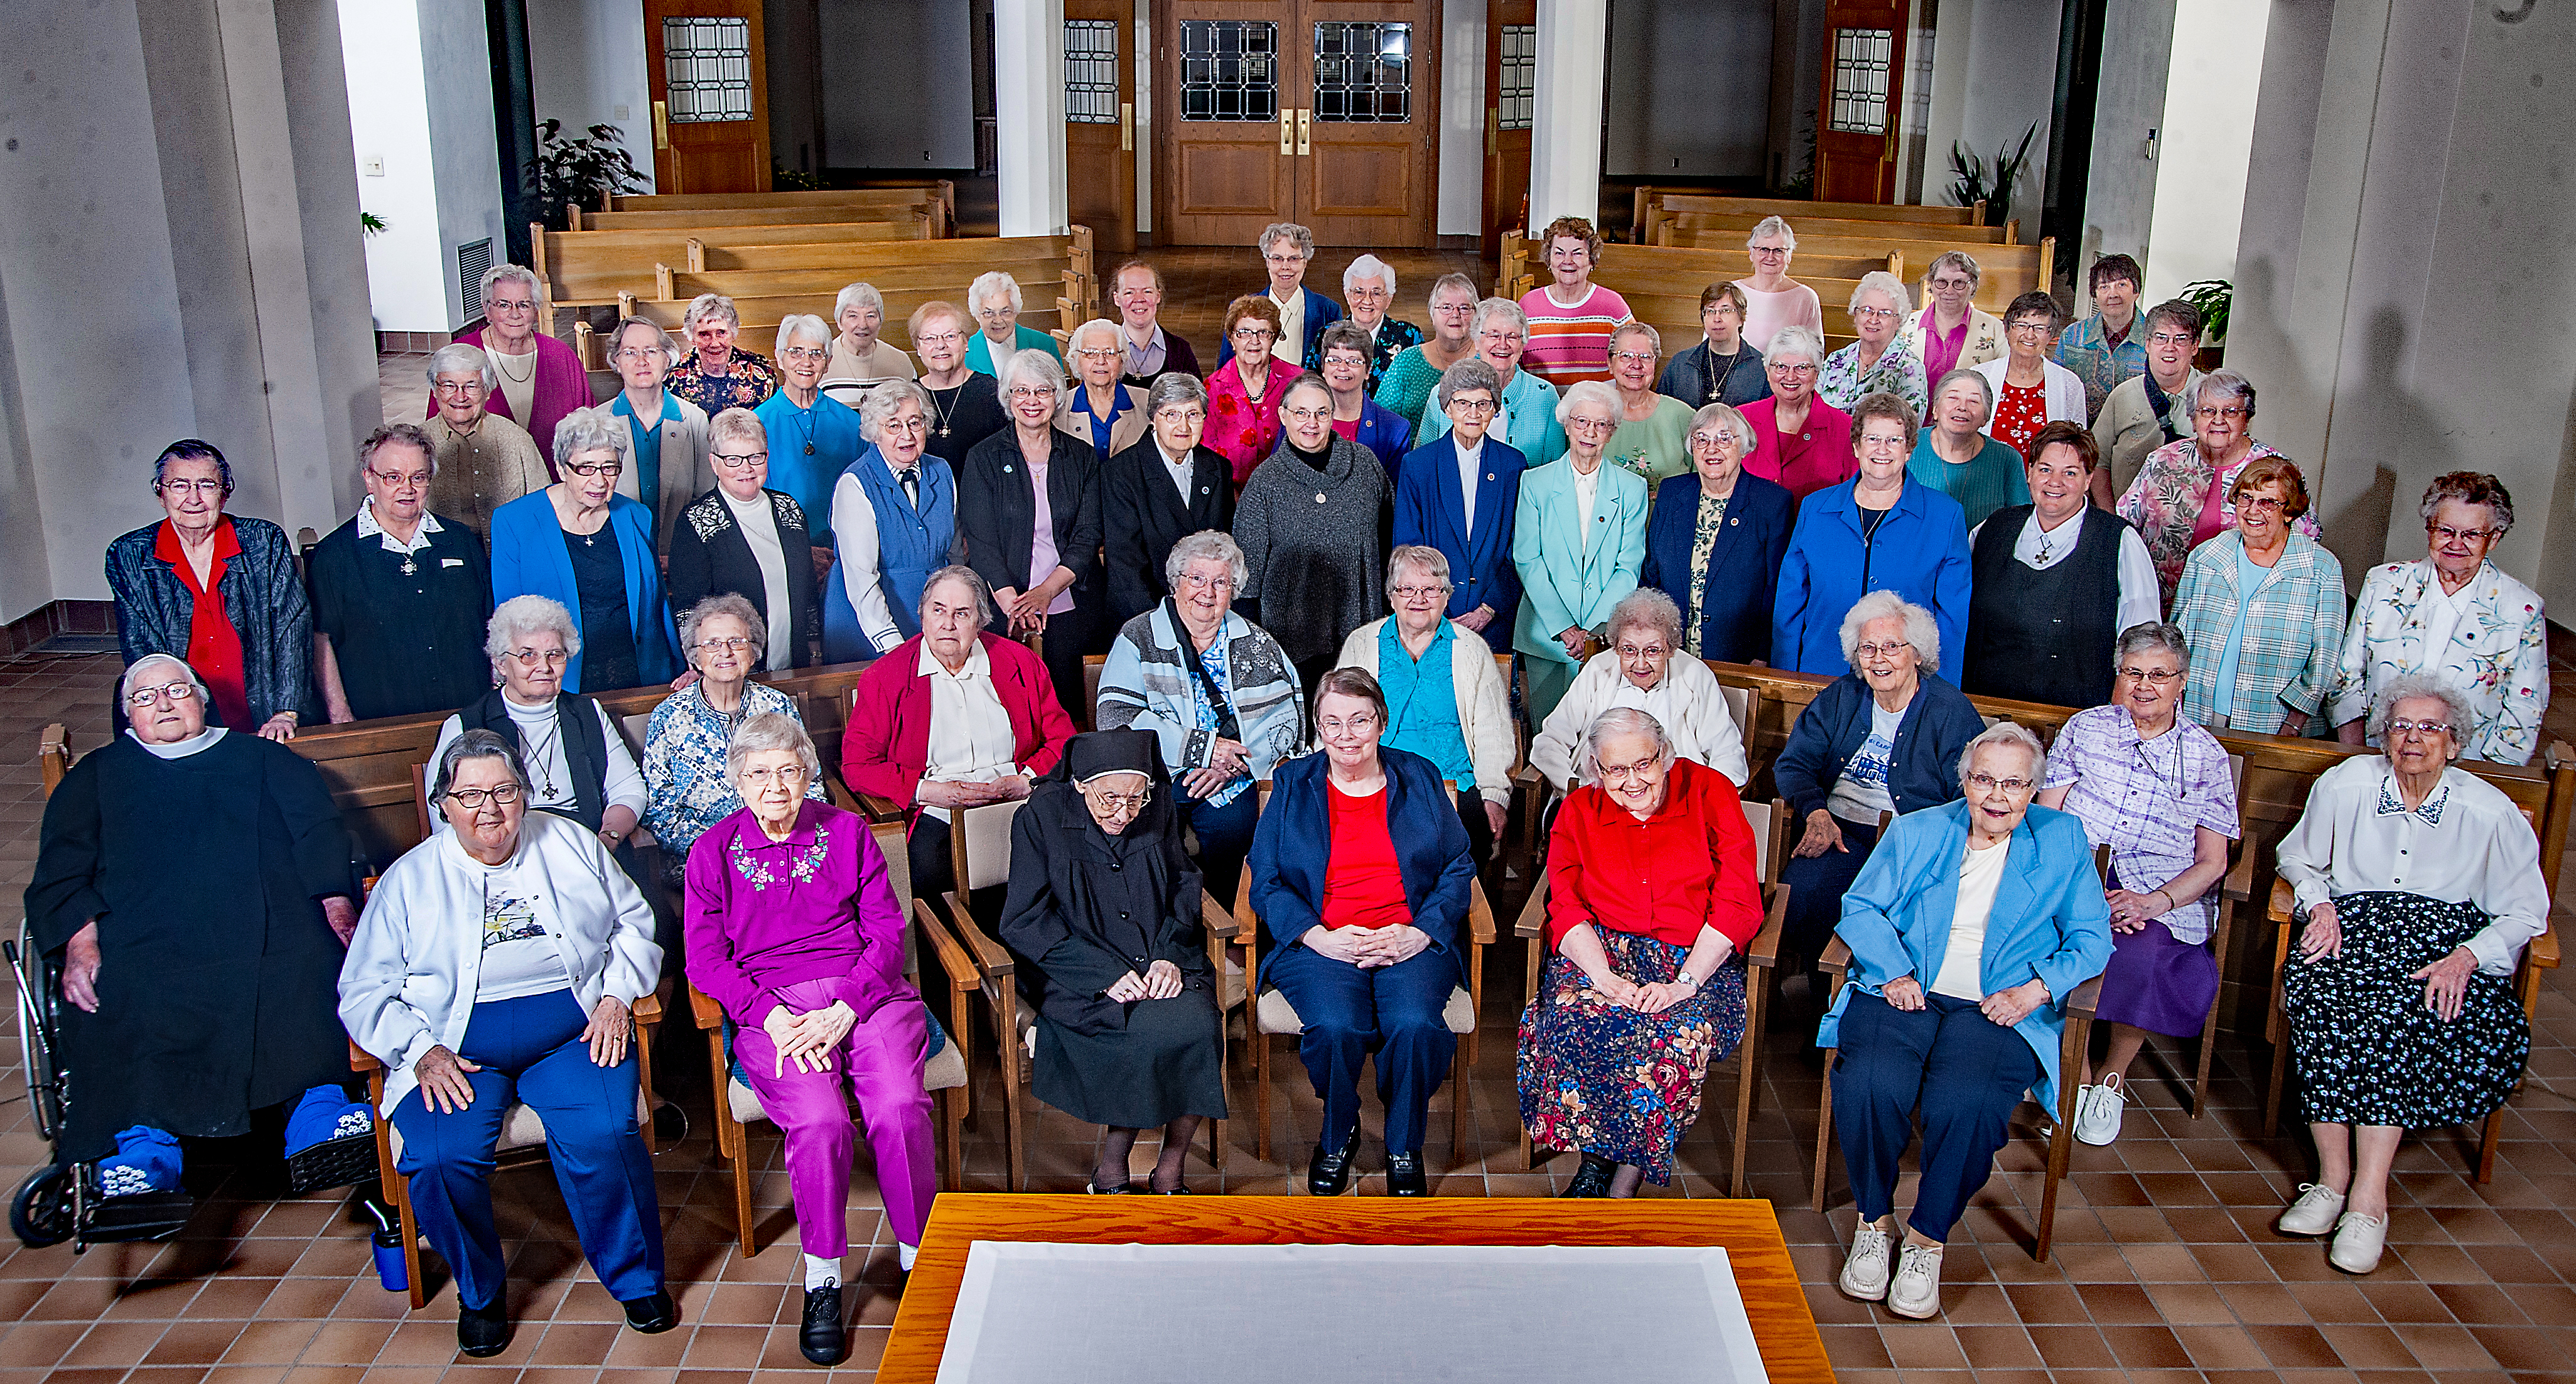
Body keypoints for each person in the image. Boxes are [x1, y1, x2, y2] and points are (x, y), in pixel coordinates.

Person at [339, 730, 671, 1357]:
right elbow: (362, 990)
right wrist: (420, 1050)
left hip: (572, 1030)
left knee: (606, 1130)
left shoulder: (570, 842)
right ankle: (481, 1290)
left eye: (504, 790)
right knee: (439, 1156)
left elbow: (634, 921)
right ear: (443, 803)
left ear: (525, 794)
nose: (489, 807)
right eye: (470, 794)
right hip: (456, 1049)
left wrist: (616, 994)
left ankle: (636, 1278)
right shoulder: (408, 879)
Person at [25, 654, 357, 1188]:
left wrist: (335, 904)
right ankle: (142, 1147)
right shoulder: (95, 777)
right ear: (126, 715)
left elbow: (317, 833)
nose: (163, 703)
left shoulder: (265, 760)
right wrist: (80, 940)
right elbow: (61, 868)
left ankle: (318, 1114)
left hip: (270, 918)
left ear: (202, 699)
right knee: (114, 989)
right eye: (144, 697)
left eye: (177, 690)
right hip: (142, 933)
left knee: (310, 962)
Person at [1824, 723, 2112, 1319]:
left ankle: (1927, 1239)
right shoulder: (1918, 830)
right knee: (1869, 1081)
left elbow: (2092, 939)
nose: (1997, 796)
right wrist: (1893, 971)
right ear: (1965, 782)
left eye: (2013, 784)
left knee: (1968, 1101)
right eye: (1984, 780)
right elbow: (1861, 906)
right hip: (1906, 988)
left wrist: (2035, 992)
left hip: (1999, 1003)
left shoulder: (2062, 840)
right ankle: (1874, 1222)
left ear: (2034, 791)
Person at [2270, 678, 2546, 1276]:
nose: (2412, 739)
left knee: (2399, 1012)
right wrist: (2319, 903)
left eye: (2429, 729)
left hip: (2443, 941)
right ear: (2383, 735)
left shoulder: (2487, 810)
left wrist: (2469, 956)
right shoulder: (2346, 784)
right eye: (2400, 726)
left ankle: (2370, 1201)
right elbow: (2296, 856)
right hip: (2353, 924)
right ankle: (2331, 1183)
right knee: (2322, 995)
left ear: (2454, 744)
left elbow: (2526, 911)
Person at [684, 713, 934, 1360]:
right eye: (760, 772)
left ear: (806, 775)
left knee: (898, 1104)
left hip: (864, 994)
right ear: (737, 780)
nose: (775, 785)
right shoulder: (711, 853)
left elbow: (885, 932)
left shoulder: (847, 831)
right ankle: (822, 1274)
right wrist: (766, 1014)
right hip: (775, 1010)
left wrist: (847, 1006)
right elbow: (705, 960)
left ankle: (917, 1254)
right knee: (821, 1121)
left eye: (788, 770)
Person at [1248, 668, 1478, 1197]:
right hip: (1323, 941)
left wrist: (1420, 933)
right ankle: (1338, 1132)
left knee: (1415, 1024)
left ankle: (1403, 1143)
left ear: (1381, 722)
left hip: (1407, 935)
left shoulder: (1418, 777)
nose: (1346, 735)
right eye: (1332, 723)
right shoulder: (1293, 784)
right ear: (1317, 728)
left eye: (1359, 720)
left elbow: (1457, 865)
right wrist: (1314, 936)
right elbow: (1265, 879)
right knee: (1334, 1026)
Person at [1519, 707, 1762, 1196]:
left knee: (1670, 1036)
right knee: (1573, 1017)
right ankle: (1593, 1163)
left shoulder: (1710, 793)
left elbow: (1738, 900)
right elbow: (1563, 902)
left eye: (1643, 765)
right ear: (1595, 768)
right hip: (1601, 952)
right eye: (1616, 769)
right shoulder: (1579, 810)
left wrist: (1683, 985)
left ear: (1666, 756)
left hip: (1693, 958)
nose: (1632, 781)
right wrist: (1603, 978)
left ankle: (1625, 1175)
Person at [996, 728, 1228, 1195]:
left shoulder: (1157, 805)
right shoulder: (1038, 817)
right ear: (1080, 784)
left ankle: (1170, 1168)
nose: (1123, 813)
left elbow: (1184, 884)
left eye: (1134, 800)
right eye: (1108, 800)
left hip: (1161, 954)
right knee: (1141, 1036)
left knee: (1200, 1028)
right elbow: (1023, 919)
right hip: (1076, 970)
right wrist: (1101, 974)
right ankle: (1112, 1166)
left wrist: (1168, 956)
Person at [2036, 622, 2240, 1147]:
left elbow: (2212, 861)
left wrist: (2152, 901)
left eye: (2158, 675)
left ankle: (2112, 1077)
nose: (2143, 686)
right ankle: (2074, 1070)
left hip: (2159, 885)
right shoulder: (2086, 728)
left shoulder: (2205, 755)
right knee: (2055, 941)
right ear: (2117, 676)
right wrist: (2074, 888)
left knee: (2141, 951)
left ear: (2182, 682)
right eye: (2132, 672)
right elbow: (2047, 816)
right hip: (2079, 870)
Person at [839, 566, 1076, 900]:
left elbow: (1062, 739)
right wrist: (930, 791)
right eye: (938, 610)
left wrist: (1026, 781)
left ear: (980, 621)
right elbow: (859, 766)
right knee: (930, 868)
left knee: (1068, 857)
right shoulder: (887, 677)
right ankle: (961, 950)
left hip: (1021, 800)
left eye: (961, 613)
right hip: (940, 811)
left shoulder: (1019, 662)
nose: (947, 624)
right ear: (922, 614)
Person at [1773, 593, 1985, 965]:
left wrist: (1923, 844)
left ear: (1918, 654)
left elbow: (1968, 795)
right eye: (1867, 648)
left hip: (1911, 844)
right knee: (1801, 894)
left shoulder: (1950, 711)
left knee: (1889, 914)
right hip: (1839, 831)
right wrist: (1816, 812)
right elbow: (1794, 764)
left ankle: (1863, 995)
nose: (1878, 659)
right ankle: (1818, 994)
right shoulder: (1844, 695)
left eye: (1891, 647)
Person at [1096, 532, 1305, 907]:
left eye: (1221, 582)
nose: (1207, 592)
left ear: (1234, 590)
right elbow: (1115, 715)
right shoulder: (1140, 635)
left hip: (1234, 775)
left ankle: (1227, 932)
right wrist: (1202, 750)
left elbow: (1286, 720)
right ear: (1176, 582)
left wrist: (1232, 765)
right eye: (1197, 579)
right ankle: (1164, 929)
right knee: (1150, 827)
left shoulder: (1256, 642)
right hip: (1160, 771)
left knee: (1237, 829)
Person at [2329, 472, 2548, 764]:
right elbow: (2345, 677)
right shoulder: (2383, 583)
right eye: (2445, 530)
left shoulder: (2521, 609)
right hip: (2377, 757)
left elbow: (2525, 708)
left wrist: (2484, 782)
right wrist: (2358, 755)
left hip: (2467, 770)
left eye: (2471, 534)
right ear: (2429, 529)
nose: (2456, 544)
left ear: (2494, 538)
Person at [430, 597, 650, 885]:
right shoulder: (465, 725)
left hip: (588, 851)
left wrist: (606, 841)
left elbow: (628, 788)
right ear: (500, 663)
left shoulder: (588, 712)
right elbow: (445, 813)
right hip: (505, 861)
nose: (544, 667)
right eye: (528, 656)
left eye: (555, 655)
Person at [106, 440, 312, 738]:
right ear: (160, 494)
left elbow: (291, 628)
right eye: (179, 485)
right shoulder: (129, 554)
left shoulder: (262, 541)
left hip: (265, 710)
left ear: (224, 493)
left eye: (206, 485)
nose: (193, 499)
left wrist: (286, 712)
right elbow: (143, 651)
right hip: (185, 716)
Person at [1959, 422, 2159, 708]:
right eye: (2045, 469)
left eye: (2070, 473)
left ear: (2089, 480)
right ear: (2029, 474)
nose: (2055, 482)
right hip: (1988, 708)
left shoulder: (2120, 541)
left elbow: (2141, 643)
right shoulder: (1991, 529)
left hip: (2079, 715)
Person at [1334, 546, 1518, 858]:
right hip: (1374, 781)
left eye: (1431, 589)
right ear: (1391, 596)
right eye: (1407, 589)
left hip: (1452, 786)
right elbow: (1335, 718)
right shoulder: (1362, 643)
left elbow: (1493, 730)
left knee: (1456, 853)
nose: (1418, 599)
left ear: (1446, 596)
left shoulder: (1471, 649)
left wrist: (1494, 794)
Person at [1772, 393, 1972, 677]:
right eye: (1873, 439)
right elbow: (1790, 604)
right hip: (1820, 671)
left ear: (1909, 450)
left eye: (1894, 440)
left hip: (1904, 682)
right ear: (1856, 446)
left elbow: (1952, 621)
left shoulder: (1946, 516)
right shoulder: (1815, 508)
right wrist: (1784, 679)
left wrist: (1942, 693)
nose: (1882, 449)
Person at [310, 424, 494, 723]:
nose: (407, 489)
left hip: (467, 714)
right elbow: (322, 641)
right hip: (381, 721)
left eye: (418, 478)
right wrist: (340, 714)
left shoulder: (460, 541)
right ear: (369, 479)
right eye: (393, 477)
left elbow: (490, 620)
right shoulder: (334, 555)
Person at [958, 349, 1104, 723]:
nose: (1032, 401)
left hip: (1071, 599)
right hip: (1003, 603)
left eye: (1043, 391)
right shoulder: (984, 457)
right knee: (1013, 710)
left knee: (1071, 706)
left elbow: (1088, 537)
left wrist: (1044, 594)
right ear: (1008, 397)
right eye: (1021, 391)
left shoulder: (1081, 457)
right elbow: (981, 540)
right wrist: (1014, 605)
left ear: (1058, 396)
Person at [488, 413, 682, 693]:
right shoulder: (514, 521)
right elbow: (508, 615)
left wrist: (680, 667)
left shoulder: (638, 516)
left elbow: (658, 606)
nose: (600, 481)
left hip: (644, 674)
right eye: (586, 468)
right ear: (561, 468)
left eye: (609, 468)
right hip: (562, 681)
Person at [642, 595, 818, 881]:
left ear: (754, 652)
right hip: (704, 859)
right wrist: (726, 849)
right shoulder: (669, 716)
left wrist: (778, 840)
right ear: (695, 656)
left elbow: (810, 783)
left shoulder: (779, 706)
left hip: (785, 849)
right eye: (711, 644)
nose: (725, 653)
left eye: (737, 642)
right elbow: (660, 811)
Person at [1233, 374, 1392, 689]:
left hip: (1361, 627)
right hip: (1292, 640)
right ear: (1283, 415)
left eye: (1321, 413)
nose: (1312, 423)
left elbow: (1389, 540)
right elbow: (1246, 578)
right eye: (1301, 413)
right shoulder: (1266, 481)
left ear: (1333, 415)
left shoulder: (1364, 464)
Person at [2167, 457, 2345, 737]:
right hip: (2197, 714)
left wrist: (2293, 724)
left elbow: (2325, 659)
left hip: (2275, 723)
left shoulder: (2320, 567)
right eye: (2246, 498)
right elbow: (2176, 639)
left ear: (2289, 512)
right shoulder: (2206, 556)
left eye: (2268, 503)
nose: (2253, 511)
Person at [2116, 370, 2320, 603]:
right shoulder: (2161, 461)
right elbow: (2125, 528)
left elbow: (2307, 541)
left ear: (2247, 419)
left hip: (2236, 607)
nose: (2218, 420)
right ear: (2193, 419)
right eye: (2207, 411)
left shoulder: (2278, 470)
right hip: (2154, 602)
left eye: (2231, 411)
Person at [1512, 381, 1650, 725]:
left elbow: (1629, 564)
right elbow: (1528, 559)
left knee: (1600, 737)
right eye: (1581, 422)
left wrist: (1592, 630)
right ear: (1566, 424)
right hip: (1546, 635)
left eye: (1601, 424)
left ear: (1612, 431)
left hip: (1604, 637)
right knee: (1546, 737)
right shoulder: (1535, 482)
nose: (1590, 432)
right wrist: (1565, 628)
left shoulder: (1632, 489)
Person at [1529, 588, 1749, 792]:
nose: (1641, 664)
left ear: (1670, 649)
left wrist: (1698, 807)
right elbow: (1550, 742)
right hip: (1598, 800)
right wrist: (1577, 792)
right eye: (1630, 650)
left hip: (1675, 808)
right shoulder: (1598, 670)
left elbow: (1728, 756)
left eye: (1652, 651)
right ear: (1616, 647)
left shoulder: (1695, 675)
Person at [1639, 402, 1796, 663]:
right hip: (1669, 651)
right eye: (1701, 439)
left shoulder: (1772, 502)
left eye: (1724, 439)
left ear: (1743, 446)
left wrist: (1762, 653)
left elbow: (1776, 589)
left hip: (1737, 653)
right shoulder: (1671, 492)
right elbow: (1652, 571)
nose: (1712, 448)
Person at [668, 408, 821, 672]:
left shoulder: (788, 508)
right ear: (714, 463)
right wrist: (698, 666)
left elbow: (806, 590)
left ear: (766, 457)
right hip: (731, 671)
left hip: (795, 664)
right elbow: (689, 611)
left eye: (755, 457)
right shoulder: (696, 520)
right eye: (733, 459)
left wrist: (815, 648)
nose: (746, 468)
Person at [1391, 359, 1525, 654]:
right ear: (1447, 408)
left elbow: (1520, 548)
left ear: (1495, 409)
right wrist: (1434, 606)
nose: (1473, 413)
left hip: (1493, 618)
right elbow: (1407, 547)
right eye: (1463, 403)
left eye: (1483, 404)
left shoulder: (1512, 465)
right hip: (1431, 618)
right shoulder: (1418, 465)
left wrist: (1489, 609)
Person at [821, 383, 953, 663]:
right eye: (893, 425)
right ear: (875, 433)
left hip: (933, 618)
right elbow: (861, 577)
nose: (907, 435)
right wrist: (892, 644)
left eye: (914, 422)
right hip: (870, 624)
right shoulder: (855, 484)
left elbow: (955, 556)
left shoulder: (941, 471)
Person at [1102, 373, 1233, 626]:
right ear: (1153, 418)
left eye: (1193, 415)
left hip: (1208, 615)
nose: (1183, 427)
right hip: (1147, 617)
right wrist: (1169, 626)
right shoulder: (1121, 473)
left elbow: (1224, 551)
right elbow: (1126, 569)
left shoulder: (1218, 469)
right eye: (1171, 415)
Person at [431, 264, 594, 462]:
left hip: (555, 482)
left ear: (536, 310)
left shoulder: (561, 356)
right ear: (487, 310)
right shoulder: (459, 355)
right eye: (503, 305)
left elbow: (589, 427)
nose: (514, 314)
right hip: (483, 484)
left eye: (524, 304)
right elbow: (436, 434)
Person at [601, 318, 712, 555]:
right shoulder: (597, 422)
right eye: (630, 353)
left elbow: (708, 500)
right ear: (617, 362)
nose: (642, 361)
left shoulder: (695, 420)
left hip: (682, 554)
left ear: (667, 359)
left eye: (651, 351)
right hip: (618, 554)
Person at [1415, 297, 1570, 466]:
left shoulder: (1545, 396)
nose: (1502, 345)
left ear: (1523, 344)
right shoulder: (1444, 393)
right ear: (1476, 340)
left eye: (1512, 337)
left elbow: (1555, 470)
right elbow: (1423, 464)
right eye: (1494, 335)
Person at [753, 314, 868, 539]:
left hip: (844, 544)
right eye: (796, 352)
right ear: (779, 358)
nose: (806, 362)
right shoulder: (757, 424)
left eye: (816, 354)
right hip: (779, 544)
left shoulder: (853, 422)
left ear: (828, 363)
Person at [423, 342, 551, 537]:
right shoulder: (417, 444)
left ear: (488, 392)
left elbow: (543, 509)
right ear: (435, 391)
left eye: (471, 386)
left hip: (508, 554)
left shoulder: (517, 439)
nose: (460, 397)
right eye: (449, 386)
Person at [2089, 299, 2203, 506]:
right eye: (2161, 338)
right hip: (2126, 521)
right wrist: (2110, 519)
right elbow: (2098, 461)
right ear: (2148, 344)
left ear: (2195, 346)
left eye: (2181, 339)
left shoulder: (2214, 399)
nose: (2170, 348)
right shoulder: (2122, 396)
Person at [1740, 326, 1855, 499]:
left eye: (1802, 367)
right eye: (1781, 367)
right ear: (1767, 371)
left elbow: (1853, 495)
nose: (1790, 377)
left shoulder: (1845, 428)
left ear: (1816, 373)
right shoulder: (1741, 420)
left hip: (1815, 526)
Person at [1517, 214, 1632, 386]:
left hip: (1599, 408)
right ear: (1549, 260)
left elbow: (1632, 361)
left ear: (1591, 260)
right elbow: (1515, 364)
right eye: (1559, 253)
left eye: (1577, 254)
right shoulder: (1528, 305)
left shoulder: (1613, 306)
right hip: (1543, 408)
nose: (1567, 261)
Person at [1907, 369, 2029, 529]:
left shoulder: (2007, 459)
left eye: (1973, 401)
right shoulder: (1907, 446)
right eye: (1953, 398)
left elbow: (2021, 523)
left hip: (1982, 552)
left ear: (1986, 417)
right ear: (1935, 409)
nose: (1962, 407)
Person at [1973, 292, 2086, 459]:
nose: (2029, 335)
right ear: (2007, 330)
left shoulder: (2069, 384)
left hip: (2046, 483)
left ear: (2050, 335)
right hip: (1987, 480)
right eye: (2021, 325)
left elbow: (2078, 448)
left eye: (2040, 328)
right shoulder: (1980, 377)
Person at [1204, 295, 1302, 485]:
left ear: (1272, 340)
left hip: (1288, 493)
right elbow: (1206, 458)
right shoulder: (1212, 388)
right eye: (1244, 332)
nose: (1254, 340)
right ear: (1232, 339)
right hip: (1229, 497)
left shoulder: (1297, 382)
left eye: (1263, 333)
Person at [1217, 222, 1342, 369]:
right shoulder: (1241, 311)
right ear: (1267, 262)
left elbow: (1336, 368)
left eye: (1294, 259)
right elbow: (1226, 369)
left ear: (1305, 263)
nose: (1285, 266)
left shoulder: (1329, 311)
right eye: (1277, 259)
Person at [1372, 272, 1483, 435]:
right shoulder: (1407, 362)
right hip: (1413, 457)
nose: (1455, 315)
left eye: (1465, 308)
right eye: (1446, 308)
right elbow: (1381, 421)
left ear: (1476, 316)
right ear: (1432, 314)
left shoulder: (1486, 361)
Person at [910, 299, 1011, 470]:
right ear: (918, 347)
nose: (941, 345)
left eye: (950, 336)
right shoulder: (909, 397)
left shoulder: (993, 392)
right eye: (929, 338)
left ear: (966, 343)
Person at [1819, 272, 1929, 416]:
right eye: (1867, 310)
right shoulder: (1837, 360)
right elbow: (1815, 412)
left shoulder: (1910, 369)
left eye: (1885, 313)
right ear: (1855, 315)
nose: (1873, 319)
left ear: (1898, 321)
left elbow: (1910, 430)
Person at [1603, 322, 1696, 490]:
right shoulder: (1592, 414)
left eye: (1645, 357)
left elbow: (1699, 479)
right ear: (1610, 363)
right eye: (1626, 356)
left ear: (1655, 364)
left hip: (1669, 514)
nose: (1636, 364)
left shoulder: (1682, 415)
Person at [1315, 321, 1413, 475]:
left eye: (1354, 361)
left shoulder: (1395, 430)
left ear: (1368, 370)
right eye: (1334, 359)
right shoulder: (1298, 419)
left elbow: (1393, 494)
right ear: (1323, 368)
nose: (1342, 368)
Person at [2056, 253, 2147, 419]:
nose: (2113, 294)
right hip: (2080, 433)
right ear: (2095, 295)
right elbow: (2057, 388)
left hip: (2137, 434)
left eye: (2121, 285)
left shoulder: (2155, 339)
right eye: (2104, 287)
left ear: (2137, 291)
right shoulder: (2072, 337)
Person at [1656, 280, 1773, 410]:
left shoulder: (1761, 368)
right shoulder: (1680, 364)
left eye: (1726, 311)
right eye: (1711, 311)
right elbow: (1663, 411)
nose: (1717, 319)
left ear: (1741, 318)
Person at [1057, 318, 1151, 467]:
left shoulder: (1148, 403)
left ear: (1122, 359)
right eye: (1090, 353)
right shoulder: (1059, 408)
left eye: (1110, 353)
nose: (1101, 361)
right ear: (1076, 359)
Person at [666, 293, 779, 415]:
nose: (714, 343)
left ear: (733, 333)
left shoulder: (761, 374)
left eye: (721, 332)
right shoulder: (672, 376)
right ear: (692, 337)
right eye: (704, 334)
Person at [1902, 251, 2004, 384]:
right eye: (1941, 282)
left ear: (1972, 287)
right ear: (1931, 285)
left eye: (1959, 283)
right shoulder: (1904, 325)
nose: (1949, 290)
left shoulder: (1995, 330)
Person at [1324, 254, 1423, 388]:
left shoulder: (1409, 337)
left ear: (1389, 299)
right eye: (1359, 292)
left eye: (1376, 293)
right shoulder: (1326, 335)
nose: (1367, 301)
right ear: (1347, 296)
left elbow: (1419, 389)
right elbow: (1312, 387)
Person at [818, 281, 918, 408]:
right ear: (839, 322)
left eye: (870, 316)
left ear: (880, 321)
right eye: (853, 316)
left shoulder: (900, 361)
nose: (863, 325)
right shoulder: (821, 361)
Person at [1735, 215, 1826, 352]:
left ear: (1789, 256)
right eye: (1764, 249)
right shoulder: (1732, 292)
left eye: (1779, 251)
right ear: (1751, 253)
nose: (1770, 257)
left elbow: (1815, 352)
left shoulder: (1806, 297)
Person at [1109, 259, 1202, 387]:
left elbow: (1197, 402)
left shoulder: (1181, 351)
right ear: (1117, 299)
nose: (1139, 299)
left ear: (1158, 296)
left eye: (1147, 291)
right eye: (1129, 292)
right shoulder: (1103, 352)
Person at [962, 271, 1063, 376]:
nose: (998, 320)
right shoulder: (964, 353)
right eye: (989, 313)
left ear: (1015, 312)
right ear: (977, 315)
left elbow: (1058, 389)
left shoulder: (1044, 344)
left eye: (1005, 312)